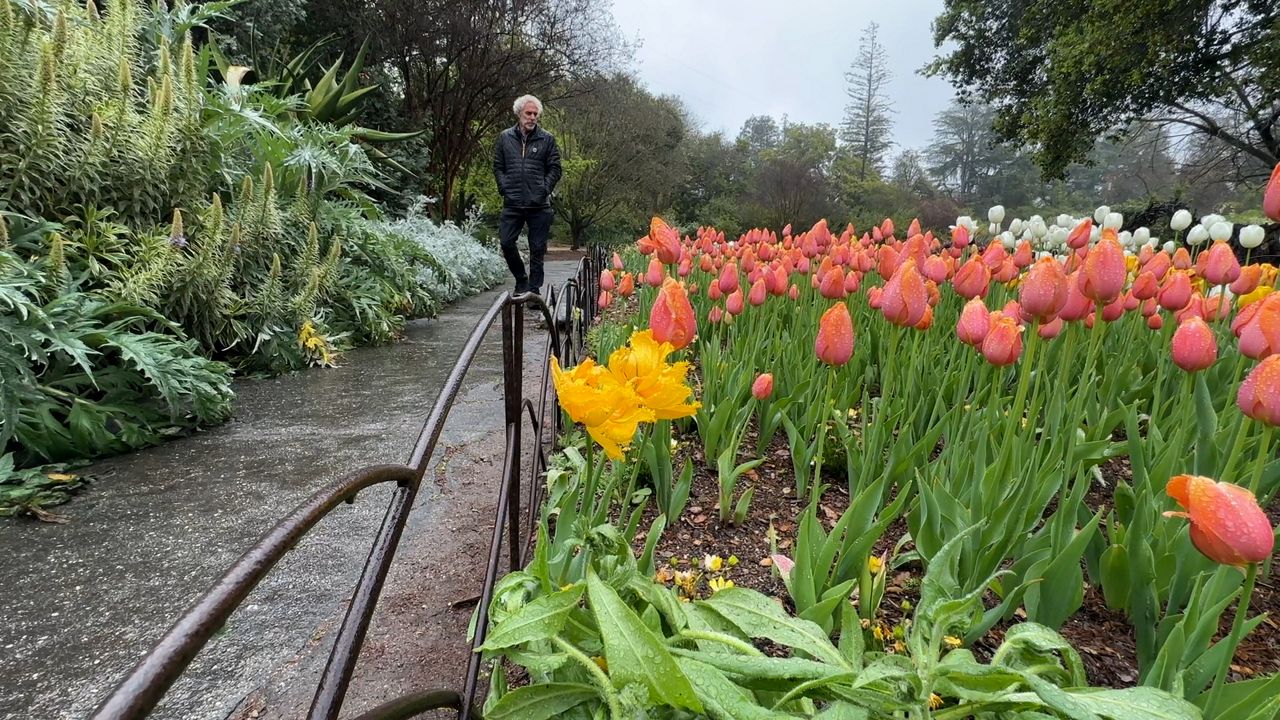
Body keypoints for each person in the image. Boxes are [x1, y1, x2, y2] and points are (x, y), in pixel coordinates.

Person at [492, 94, 562, 296]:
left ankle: (533, 290)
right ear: (519, 114)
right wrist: (504, 186)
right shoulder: (505, 137)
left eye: (535, 114)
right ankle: (521, 280)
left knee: (537, 249)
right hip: (512, 202)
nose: (532, 117)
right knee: (506, 242)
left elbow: (555, 168)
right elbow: (498, 166)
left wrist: (543, 189)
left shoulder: (546, 139)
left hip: (539, 205)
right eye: (528, 113)